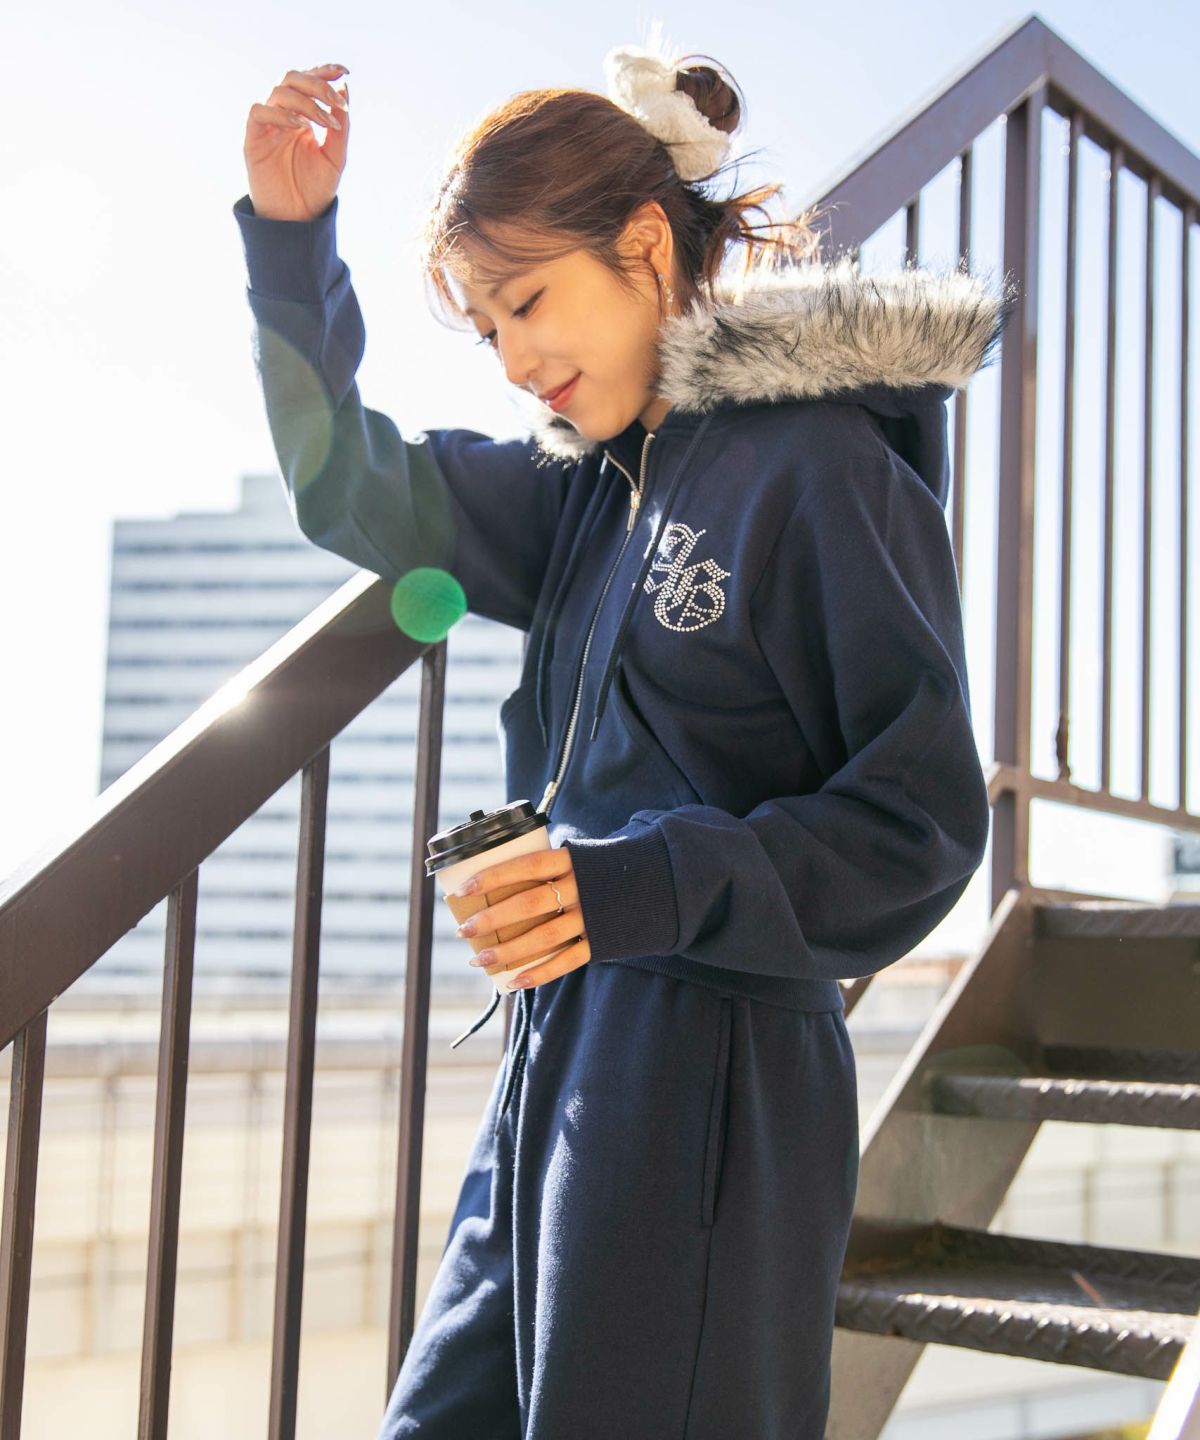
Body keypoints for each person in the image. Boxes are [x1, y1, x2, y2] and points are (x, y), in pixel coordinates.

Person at [235, 35, 1013, 1440]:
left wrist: (647, 880)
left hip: (718, 1078)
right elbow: (348, 482)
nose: (517, 358)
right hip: (558, 1058)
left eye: (531, 300)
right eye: (489, 331)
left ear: (646, 246)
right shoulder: (585, 494)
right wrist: (292, 245)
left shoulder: (826, 470)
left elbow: (922, 823)